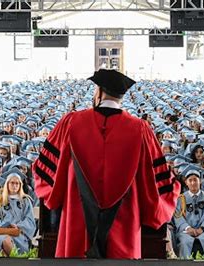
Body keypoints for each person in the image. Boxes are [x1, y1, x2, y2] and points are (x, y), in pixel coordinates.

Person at [32, 69, 180, 258]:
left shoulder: (71, 123)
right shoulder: (141, 130)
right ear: (121, 97)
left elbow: (46, 172)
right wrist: (173, 187)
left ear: (99, 92)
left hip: (77, 223)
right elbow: (156, 183)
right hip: (124, 224)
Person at [172, 164, 204, 259]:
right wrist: (188, 228)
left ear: (200, 181)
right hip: (186, 231)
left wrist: (202, 228)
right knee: (185, 243)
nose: (193, 183)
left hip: (203, 231)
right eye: (190, 180)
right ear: (186, 182)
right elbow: (178, 217)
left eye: (195, 180)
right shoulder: (180, 199)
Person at [0, 169, 36, 257]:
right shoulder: (1, 200)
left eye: (17, 183)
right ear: (7, 184)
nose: (15, 186)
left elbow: (30, 220)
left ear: (20, 185)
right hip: (3, 230)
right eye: (12, 183)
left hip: (19, 232)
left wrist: (18, 226)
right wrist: (5, 224)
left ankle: (17, 261)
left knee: (5, 240)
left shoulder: (25, 200)